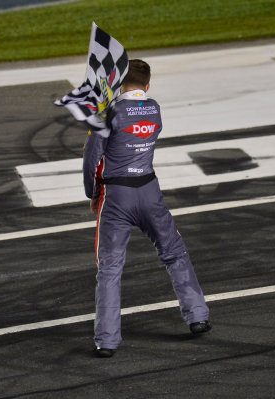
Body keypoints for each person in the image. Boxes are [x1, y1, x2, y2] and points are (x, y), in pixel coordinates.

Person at [82, 59, 211, 358]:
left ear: (118, 84)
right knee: (175, 252)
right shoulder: (155, 109)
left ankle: (107, 341)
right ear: (148, 85)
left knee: (110, 268)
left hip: (116, 197)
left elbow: (92, 160)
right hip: (150, 191)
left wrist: (92, 193)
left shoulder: (108, 114)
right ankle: (198, 317)